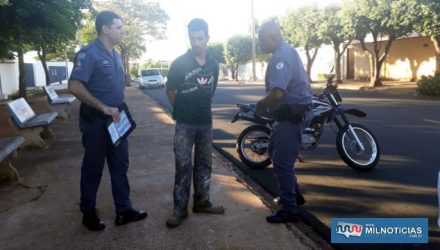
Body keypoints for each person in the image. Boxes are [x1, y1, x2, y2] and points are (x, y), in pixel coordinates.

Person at [68, 11, 147, 231]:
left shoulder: (115, 54)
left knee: (120, 166)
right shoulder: (89, 54)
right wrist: (103, 107)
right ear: (105, 28)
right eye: (119, 27)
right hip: (95, 122)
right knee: (93, 168)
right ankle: (88, 212)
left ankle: (124, 210)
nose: (122, 31)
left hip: (117, 121)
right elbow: (74, 86)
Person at [165, 18, 224, 228]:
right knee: (182, 166)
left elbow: (211, 91)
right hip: (185, 124)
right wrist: (179, 111)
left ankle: (202, 202)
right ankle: (179, 210)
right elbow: (170, 90)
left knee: (204, 164)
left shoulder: (214, 65)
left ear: (207, 38)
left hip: (205, 123)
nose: (196, 42)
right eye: (192, 38)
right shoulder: (180, 63)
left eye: (200, 38)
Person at [255, 21, 313, 223]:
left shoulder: (281, 55)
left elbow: (278, 92)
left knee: (282, 162)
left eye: (261, 40)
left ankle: (289, 209)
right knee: (273, 152)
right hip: (286, 116)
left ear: (272, 37)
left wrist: (261, 104)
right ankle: (294, 195)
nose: (260, 44)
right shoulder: (284, 52)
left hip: (291, 116)